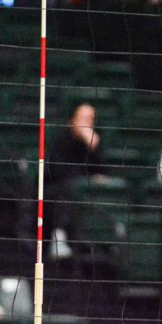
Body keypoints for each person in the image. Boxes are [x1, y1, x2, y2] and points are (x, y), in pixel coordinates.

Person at [45, 102, 112, 254]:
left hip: (84, 191)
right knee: (69, 188)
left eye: (90, 119)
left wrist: (94, 148)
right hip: (57, 189)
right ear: (73, 120)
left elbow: (102, 172)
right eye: (82, 118)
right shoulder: (62, 139)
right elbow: (56, 170)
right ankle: (59, 237)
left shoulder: (94, 141)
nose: (86, 123)